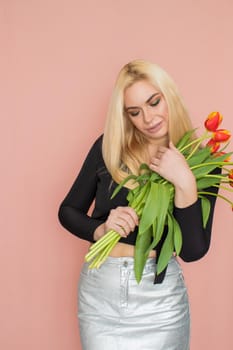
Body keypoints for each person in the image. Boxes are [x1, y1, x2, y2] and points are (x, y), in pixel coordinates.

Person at [58, 59, 219, 350]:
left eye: (154, 102)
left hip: (160, 301)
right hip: (100, 294)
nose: (148, 118)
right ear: (127, 116)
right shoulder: (109, 147)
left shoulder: (202, 161)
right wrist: (101, 228)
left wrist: (184, 181)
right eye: (135, 112)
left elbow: (193, 250)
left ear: (169, 95)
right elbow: (68, 211)